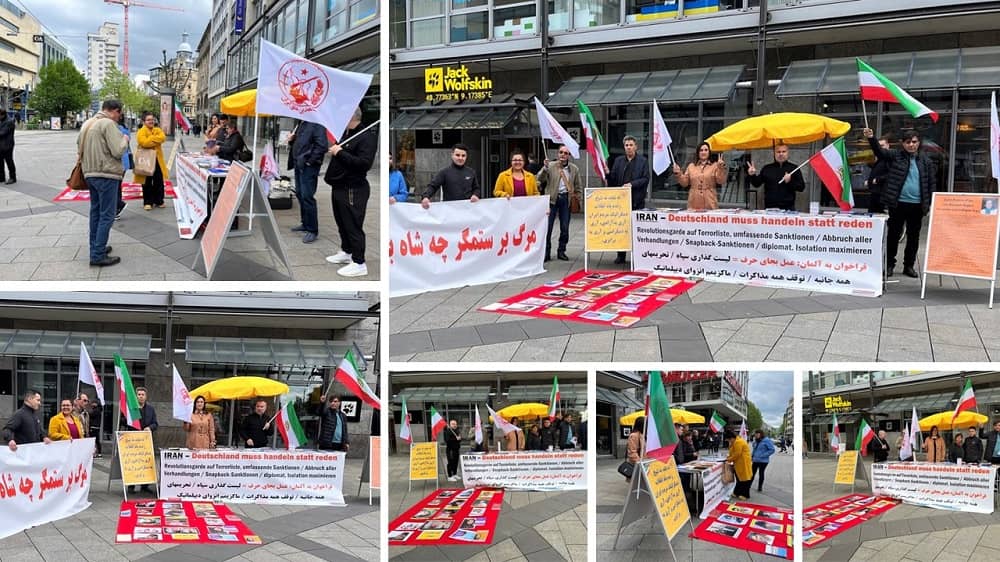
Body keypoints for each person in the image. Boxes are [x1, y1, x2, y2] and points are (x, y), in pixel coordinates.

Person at [863, 127, 936, 278]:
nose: (911, 145)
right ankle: (889, 264)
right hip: (898, 203)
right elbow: (880, 152)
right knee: (893, 235)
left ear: (918, 143)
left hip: (917, 205)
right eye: (908, 142)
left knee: (913, 237)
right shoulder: (896, 156)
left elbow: (931, 183)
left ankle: (908, 266)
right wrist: (871, 138)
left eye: (914, 142)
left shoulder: (926, 161)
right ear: (902, 144)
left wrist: (929, 203)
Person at [324, 107, 377, 277]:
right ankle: (346, 252)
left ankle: (359, 262)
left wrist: (340, 152)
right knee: (342, 222)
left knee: (353, 224)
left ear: (351, 117)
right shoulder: (347, 133)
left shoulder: (366, 136)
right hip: (339, 185)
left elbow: (363, 164)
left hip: (353, 188)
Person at [79, 99, 130, 267]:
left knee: (95, 213)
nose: (118, 117)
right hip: (106, 173)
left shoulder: (88, 123)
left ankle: (96, 247)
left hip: (90, 173)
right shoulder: (108, 124)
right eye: (119, 114)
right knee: (107, 215)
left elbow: (78, 145)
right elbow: (118, 150)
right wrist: (125, 139)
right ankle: (97, 255)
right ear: (114, 111)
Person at [608, 135, 649, 264]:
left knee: (636, 229)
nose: (629, 147)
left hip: (637, 200)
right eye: (626, 145)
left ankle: (637, 256)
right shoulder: (619, 161)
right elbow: (613, 179)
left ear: (635, 147)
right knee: (622, 229)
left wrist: (632, 184)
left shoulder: (643, 161)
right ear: (624, 147)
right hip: (621, 202)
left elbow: (645, 178)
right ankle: (621, 255)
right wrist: (607, 174)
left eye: (631, 145)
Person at [287, 119, 329, 244]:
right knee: (299, 193)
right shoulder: (302, 123)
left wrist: (309, 161)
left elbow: (322, 146)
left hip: (308, 167)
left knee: (307, 196)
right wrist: (292, 140)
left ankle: (312, 230)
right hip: (298, 164)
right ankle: (305, 223)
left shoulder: (317, 123)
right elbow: (301, 143)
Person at [537, 145, 582, 262]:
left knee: (565, 227)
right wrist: (544, 168)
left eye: (566, 153)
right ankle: (546, 252)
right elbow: (539, 179)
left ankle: (561, 251)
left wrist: (578, 199)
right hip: (551, 200)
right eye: (561, 152)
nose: (563, 155)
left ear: (569, 156)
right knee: (548, 228)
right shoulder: (550, 166)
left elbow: (578, 186)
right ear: (558, 154)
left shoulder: (574, 169)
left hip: (565, 200)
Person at [747, 144, 805, 211]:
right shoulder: (767, 168)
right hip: (770, 208)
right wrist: (752, 175)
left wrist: (790, 181)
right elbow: (756, 184)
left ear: (787, 153)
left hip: (788, 208)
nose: (781, 154)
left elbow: (801, 187)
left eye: (783, 151)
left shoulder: (794, 168)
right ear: (774, 153)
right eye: (778, 152)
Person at [122, 386, 158, 493]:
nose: (141, 397)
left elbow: (155, 424)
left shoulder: (151, 409)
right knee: (133, 463)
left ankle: (145, 485)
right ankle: (131, 486)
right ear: (136, 396)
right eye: (139, 395)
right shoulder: (131, 408)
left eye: (143, 395)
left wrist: (149, 428)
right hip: (133, 441)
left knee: (146, 464)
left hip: (146, 442)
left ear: (146, 397)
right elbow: (124, 422)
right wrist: (127, 417)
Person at [674, 142, 727, 210]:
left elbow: (721, 181)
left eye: (706, 150)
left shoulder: (715, 166)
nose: (703, 152)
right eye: (701, 150)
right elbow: (685, 183)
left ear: (709, 152)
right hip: (694, 201)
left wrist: (721, 168)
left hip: (710, 201)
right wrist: (678, 174)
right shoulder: (691, 166)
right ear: (698, 152)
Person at [134, 113, 167, 211]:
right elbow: (143, 142)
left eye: (152, 119)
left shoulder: (157, 129)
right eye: (148, 120)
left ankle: (159, 200)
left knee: (158, 180)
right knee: (147, 181)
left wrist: (150, 139)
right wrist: (155, 139)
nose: (151, 121)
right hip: (146, 159)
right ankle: (148, 202)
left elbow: (163, 138)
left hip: (157, 159)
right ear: (144, 122)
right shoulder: (141, 131)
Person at [865, 135, 890, 213]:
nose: (880, 148)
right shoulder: (879, 158)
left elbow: (892, 174)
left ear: (888, 146)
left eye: (882, 145)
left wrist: (877, 180)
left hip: (883, 192)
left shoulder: (890, 158)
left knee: (878, 214)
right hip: (875, 192)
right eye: (879, 146)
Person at [725, 428, 752, 500]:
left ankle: (745, 495)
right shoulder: (735, 442)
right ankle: (736, 492)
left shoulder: (738, 442)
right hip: (738, 463)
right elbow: (732, 452)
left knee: (744, 480)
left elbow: (737, 454)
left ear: (732, 438)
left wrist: (728, 459)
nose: (729, 441)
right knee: (739, 479)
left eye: (729, 440)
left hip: (743, 463)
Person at [115, 114, 131, 220]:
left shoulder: (118, 129)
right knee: (117, 185)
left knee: (115, 186)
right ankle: (117, 207)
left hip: (119, 161)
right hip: (122, 162)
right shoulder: (124, 129)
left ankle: (118, 205)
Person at [625, 417, 645, 482]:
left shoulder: (643, 434)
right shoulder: (634, 436)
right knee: (637, 482)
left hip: (644, 463)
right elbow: (632, 452)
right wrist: (640, 462)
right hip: (638, 464)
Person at [0, 109, 15, 184]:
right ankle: (1, 177)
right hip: (1, 145)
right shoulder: (2, 120)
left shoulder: (9, 122)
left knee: (9, 161)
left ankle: (12, 178)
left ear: (2, 114)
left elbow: (2, 133)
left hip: (7, 145)